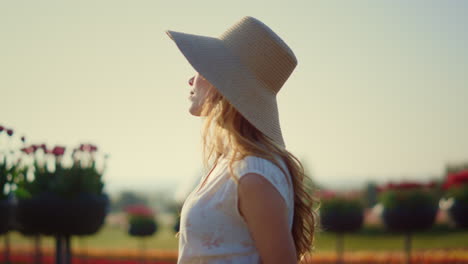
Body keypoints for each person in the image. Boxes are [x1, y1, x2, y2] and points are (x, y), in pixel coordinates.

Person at [165, 16, 317, 264]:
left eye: (202, 68)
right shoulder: (229, 164)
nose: (191, 79)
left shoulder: (254, 174)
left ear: (225, 82)